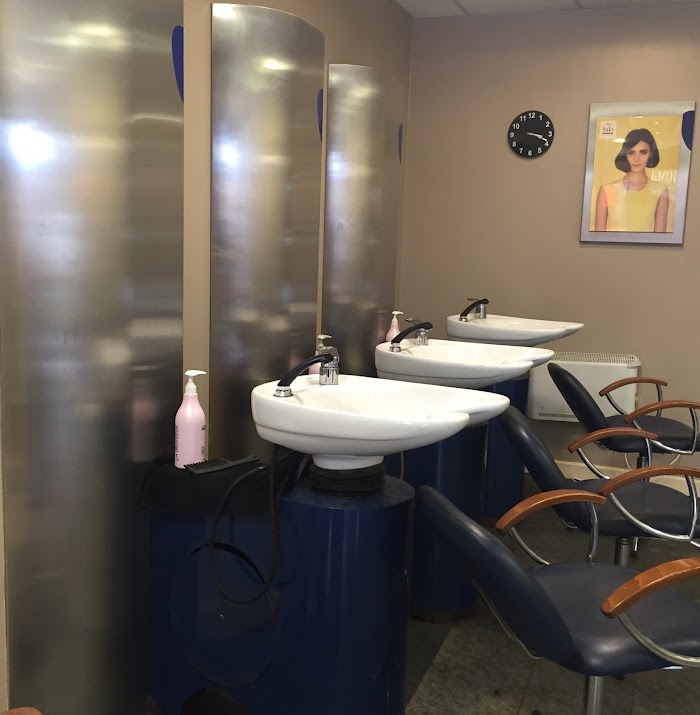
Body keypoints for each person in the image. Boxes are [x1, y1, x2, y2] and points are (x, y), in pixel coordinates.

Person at [594, 128, 669, 233]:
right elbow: (598, 236)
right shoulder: (607, 190)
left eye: (643, 152)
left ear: (651, 153)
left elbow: (660, 237)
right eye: (631, 153)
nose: (636, 159)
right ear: (625, 154)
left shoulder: (660, 191)